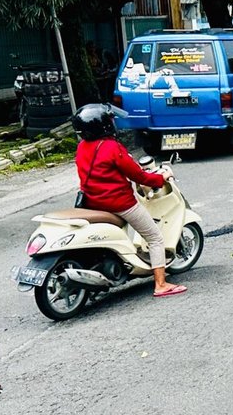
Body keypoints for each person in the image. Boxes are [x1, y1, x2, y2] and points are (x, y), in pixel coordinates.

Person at [71, 104, 186, 298]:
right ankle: (161, 284)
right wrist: (162, 177)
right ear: (104, 125)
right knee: (155, 238)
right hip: (120, 204)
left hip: (93, 203)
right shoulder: (112, 148)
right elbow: (140, 177)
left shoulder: (82, 147)